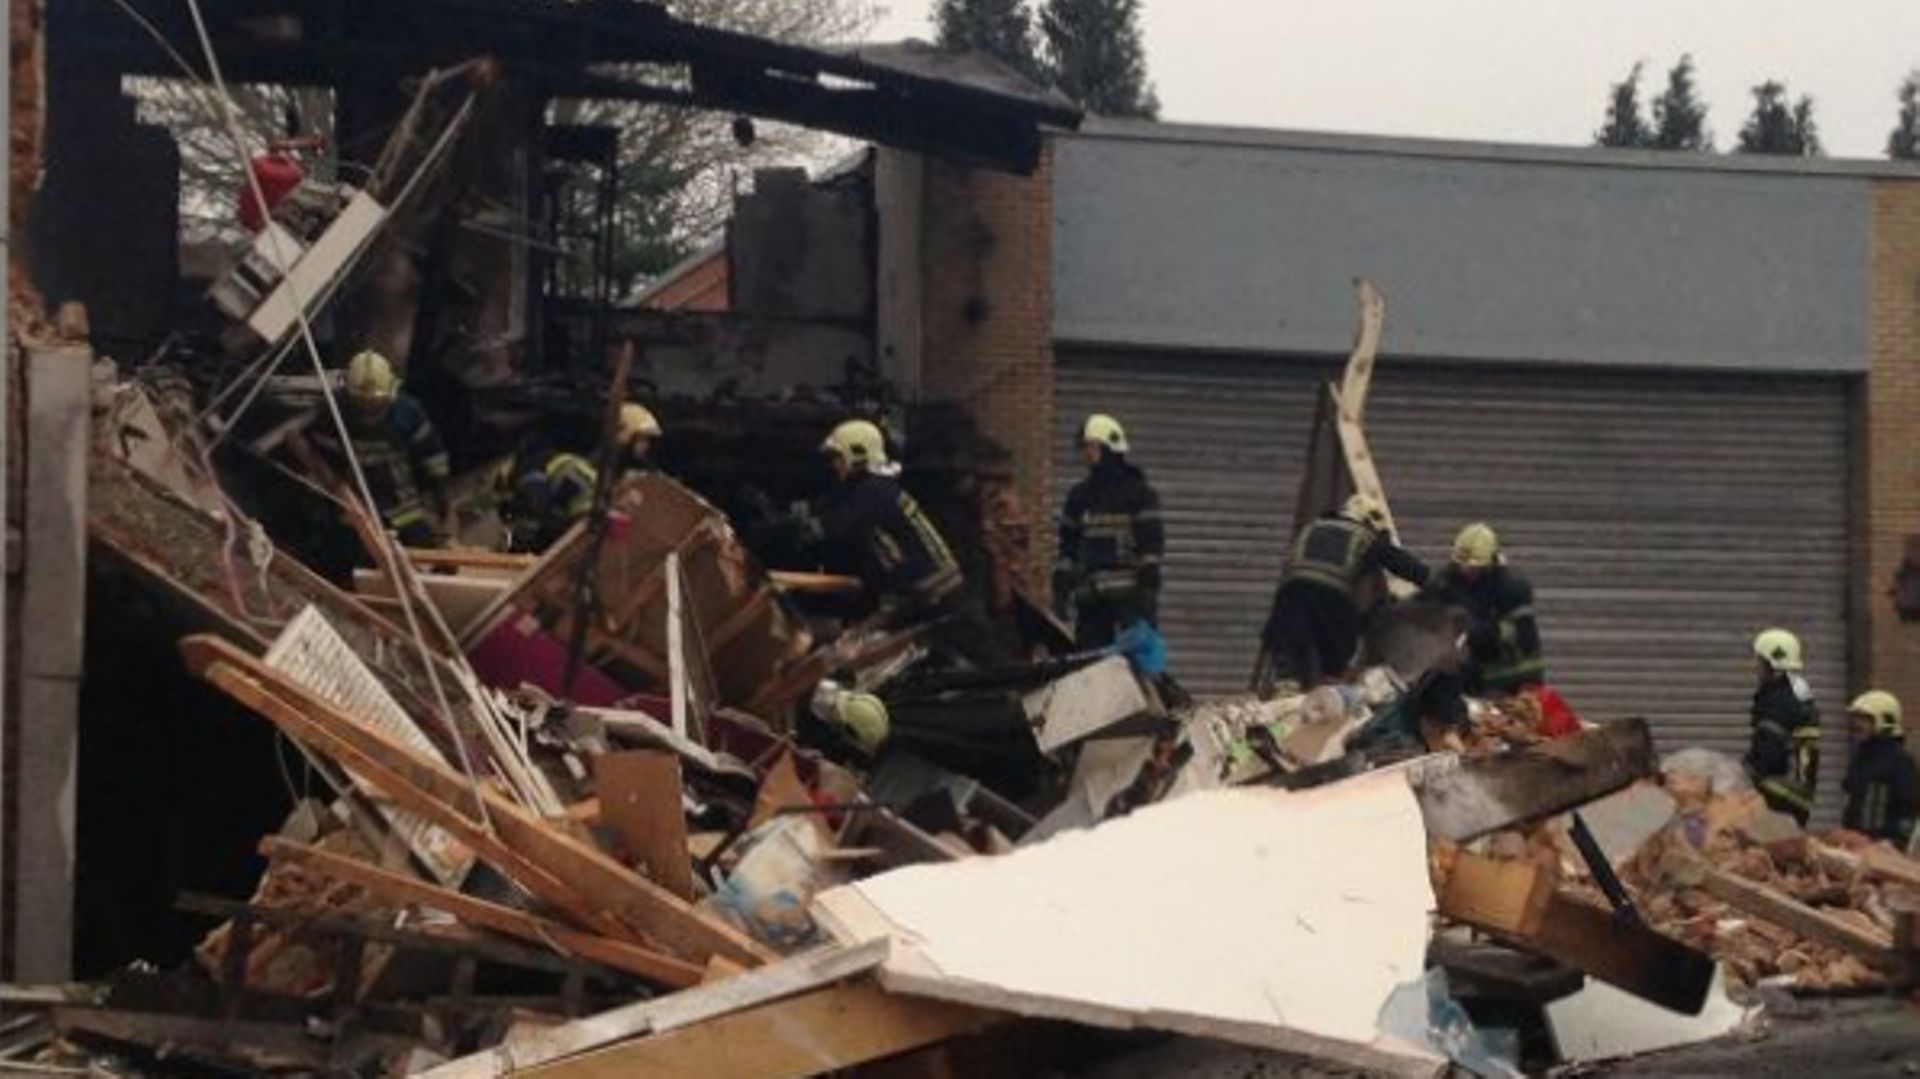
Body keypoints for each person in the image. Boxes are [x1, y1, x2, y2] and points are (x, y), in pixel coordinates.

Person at [805, 418, 1008, 667]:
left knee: (987, 661)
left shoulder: (872, 491)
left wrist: (799, 527)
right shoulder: (878, 489)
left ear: (857, 454)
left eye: (837, 457)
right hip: (931, 596)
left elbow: (835, 527)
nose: (834, 465)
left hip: (935, 598)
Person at [1257, 494, 1429, 690]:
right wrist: (1433, 581)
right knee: (1336, 649)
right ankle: (1331, 685)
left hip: (1290, 593)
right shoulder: (1364, 535)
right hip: (1330, 596)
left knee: (1289, 645)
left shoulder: (1313, 527)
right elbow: (1399, 562)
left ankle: (1286, 685)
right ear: (1368, 521)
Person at [309, 350, 452, 548]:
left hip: (401, 500)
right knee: (350, 550)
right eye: (362, 402)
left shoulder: (408, 412)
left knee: (419, 542)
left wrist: (440, 490)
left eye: (375, 402)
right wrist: (337, 502)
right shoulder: (333, 415)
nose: (369, 408)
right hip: (356, 501)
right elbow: (326, 465)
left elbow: (431, 453)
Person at [1054, 414, 1164, 649]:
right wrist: (1061, 588)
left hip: (1129, 599)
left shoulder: (1139, 494)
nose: (1086, 454)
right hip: (1091, 599)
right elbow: (1068, 546)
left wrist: (1148, 592)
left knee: (1138, 664)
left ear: (1108, 447)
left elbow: (1151, 546)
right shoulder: (1079, 496)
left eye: (1091, 447)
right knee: (1089, 665)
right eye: (1085, 448)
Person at [1423, 523, 1544, 696]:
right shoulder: (1448, 580)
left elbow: (1524, 634)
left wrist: (1481, 631)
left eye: (1474, 568)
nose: (1466, 571)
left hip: (1513, 676)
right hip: (1473, 675)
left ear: (1491, 562)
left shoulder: (1511, 587)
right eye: (1461, 565)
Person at [1744, 628, 1820, 826]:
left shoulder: (1777, 701)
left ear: (1772, 664)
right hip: (1798, 796)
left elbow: (1768, 752)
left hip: (1777, 793)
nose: (1756, 667)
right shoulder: (1800, 695)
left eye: (1760, 661)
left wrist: (1741, 776)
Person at [1842, 690, 1917, 846]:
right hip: (1855, 843)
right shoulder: (1861, 757)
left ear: (1885, 722)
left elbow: (1908, 808)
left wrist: (1896, 841)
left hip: (1885, 847)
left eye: (1864, 719)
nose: (1856, 724)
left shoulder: (1900, 762)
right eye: (1855, 718)